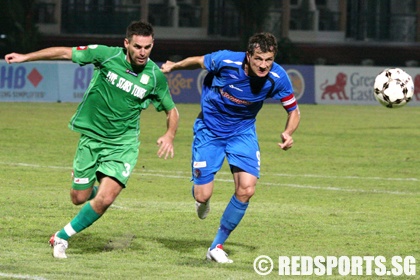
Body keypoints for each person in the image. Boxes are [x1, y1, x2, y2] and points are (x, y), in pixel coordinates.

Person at [5, 20, 179, 259]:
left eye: (147, 47)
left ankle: (61, 237)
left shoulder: (154, 76)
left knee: (107, 198)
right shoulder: (105, 56)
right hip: (92, 138)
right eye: (138, 46)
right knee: (79, 198)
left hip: (123, 144)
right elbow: (65, 53)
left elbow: (172, 110)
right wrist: (26, 57)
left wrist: (170, 134)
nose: (143, 52)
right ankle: (92, 189)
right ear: (126, 43)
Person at [161, 32, 300, 263]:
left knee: (247, 189)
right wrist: (175, 66)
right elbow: (197, 61)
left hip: (242, 133)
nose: (264, 65)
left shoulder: (278, 76)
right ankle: (201, 197)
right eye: (258, 59)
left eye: (268, 60)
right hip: (209, 129)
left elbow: (293, 110)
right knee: (202, 195)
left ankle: (216, 246)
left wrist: (289, 132)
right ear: (248, 56)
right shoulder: (226, 61)